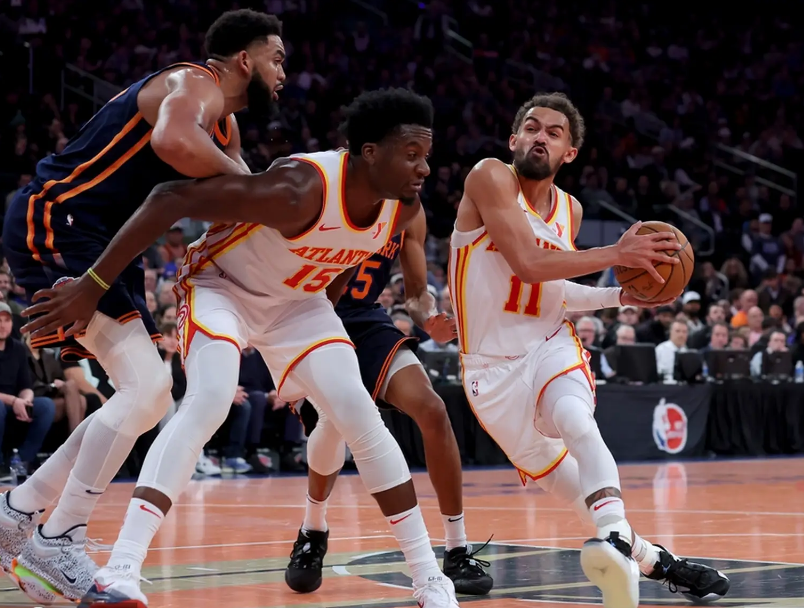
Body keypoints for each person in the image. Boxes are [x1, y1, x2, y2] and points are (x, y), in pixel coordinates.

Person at [24, 89, 461, 608]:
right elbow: (169, 198)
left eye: (426, 155)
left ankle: (430, 580)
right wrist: (93, 284)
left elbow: (344, 254)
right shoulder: (299, 188)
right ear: (370, 152)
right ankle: (122, 569)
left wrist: (317, 347)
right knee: (209, 400)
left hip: (297, 302)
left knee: (358, 413)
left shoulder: (403, 209)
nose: (425, 168)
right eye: (412, 154)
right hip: (222, 287)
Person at [0, 9, 286, 603]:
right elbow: (173, 141)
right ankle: (55, 536)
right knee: (147, 387)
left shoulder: (226, 127)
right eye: (276, 58)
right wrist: (254, 186)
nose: (283, 73)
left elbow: (234, 205)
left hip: (110, 245)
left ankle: (19, 514)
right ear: (244, 60)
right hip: (60, 219)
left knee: (150, 395)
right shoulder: (194, 83)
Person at [449, 92, 730, 608]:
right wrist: (617, 253)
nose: (540, 136)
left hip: (548, 343)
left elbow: (554, 290)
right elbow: (529, 264)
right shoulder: (489, 176)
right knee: (575, 491)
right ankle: (655, 561)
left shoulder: (570, 210)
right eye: (531, 127)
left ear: (570, 152)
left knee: (577, 420)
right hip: (490, 373)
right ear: (513, 140)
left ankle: (616, 540)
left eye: (554, 132)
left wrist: (619, 295)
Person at [286, 208, 492, 596]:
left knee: (433, 409)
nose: (419, 177)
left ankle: (456, 547)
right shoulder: (329, 193)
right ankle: (313, 529)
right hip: (313, 317)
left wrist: (428, 318)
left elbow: (415, 295)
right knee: (332, 423)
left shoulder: (410, 211)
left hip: (365, 319)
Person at [0, 302, 56, 476]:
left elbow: (26, 386)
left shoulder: (18, 348)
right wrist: (14, 401)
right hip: (3, 403)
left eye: (7, 320)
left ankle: (22, 461)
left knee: (46, 406)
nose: (3, 325)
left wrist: (25, 400)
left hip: (14, 402)